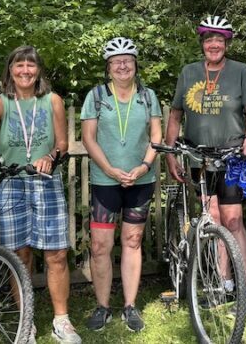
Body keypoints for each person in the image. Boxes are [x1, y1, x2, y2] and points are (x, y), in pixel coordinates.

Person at [0, 45, 79, 343]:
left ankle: (62, 320)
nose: (25, 71)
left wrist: (51, 157)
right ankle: (26, 321)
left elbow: (62, 144)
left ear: (38, 70)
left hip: (44, 180)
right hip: (10, 182)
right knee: (21, 255)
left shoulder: (52, 101)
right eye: (19, 65)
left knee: (56, 253)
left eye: (31, 65)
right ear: (11, 70)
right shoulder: (1, 102)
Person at [164, 15, 246, 300]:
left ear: (227, 43)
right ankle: (224, 281)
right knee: (214, 218)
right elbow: (175, 115)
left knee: (233, 221)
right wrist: (171, 154)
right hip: (199, 158)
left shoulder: (240, 71)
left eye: (220, 39)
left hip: (232, 156)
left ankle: (243, 283)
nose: (214, 44)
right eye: (209, 40)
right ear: (202, 44)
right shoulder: (189, 72)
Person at [81, 37, 162, 333]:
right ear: (108, 67)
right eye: (116, 61)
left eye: (128, 60)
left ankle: (130, 305)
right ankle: (102, 306)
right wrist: (111, 170)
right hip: (106, 181)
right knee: (101, 246)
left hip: (141, 180)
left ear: (136, 65)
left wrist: (143, 166)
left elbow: (156, 136)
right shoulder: (97, 96)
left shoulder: (148, 96)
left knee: (132, 241)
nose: (123, 65)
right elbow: (88, 137)